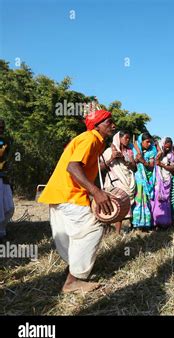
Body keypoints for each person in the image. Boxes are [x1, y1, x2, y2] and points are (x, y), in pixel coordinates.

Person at [38, 109, 115, 293]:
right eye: (108, 122)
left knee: (70, 234)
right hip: (69, 194)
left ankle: (71, 269)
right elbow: (73, 167)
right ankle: (73, 280)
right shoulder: (90, 139)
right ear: (96, 126)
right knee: (93, 228)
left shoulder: (92, 141)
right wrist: (96, 192)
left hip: (59, 193)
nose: (113, 125)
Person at [100, 130, 136, 234]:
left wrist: (124, 160)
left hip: (128, 180)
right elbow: (101, 167)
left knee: (122, 205)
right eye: (126, 138)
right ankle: (106, 229)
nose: (128, 140)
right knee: (112, 204)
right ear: (118, 138)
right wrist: (112, 158)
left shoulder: (129, 152)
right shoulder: (108, 151)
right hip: (115, 181)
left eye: (129, 138)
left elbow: (134, 167)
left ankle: (117, 232)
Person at [131, 132, 157, 231]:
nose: (149, 144)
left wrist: (142, 161)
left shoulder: (152, 151)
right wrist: (137, 157)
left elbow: (151, 166)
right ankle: (136, 223)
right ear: (141, 142)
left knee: (145, 200)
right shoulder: (134, 149)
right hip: (136, 178)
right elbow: (132, 164)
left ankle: (145, 224)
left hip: (147, 179)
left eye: (150, 142)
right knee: (137, 200)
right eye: (147, 142)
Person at [152, 137, 174, 228]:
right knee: (157, 199)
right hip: (158, 180)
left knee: (165, 201)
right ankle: (156, 222)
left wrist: (161, 164)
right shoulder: (157, 153)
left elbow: (173, 168)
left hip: (166, 180)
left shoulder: (171, 156)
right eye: (166, 145)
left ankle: (165, 222)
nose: (167, 148)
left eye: (169, 147)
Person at [0, 119, 14, 240]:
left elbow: (7, 159)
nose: (1, 129)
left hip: (4, 177)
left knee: (9, 207)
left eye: (2, 127)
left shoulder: (5, 142)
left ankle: (2, 231)